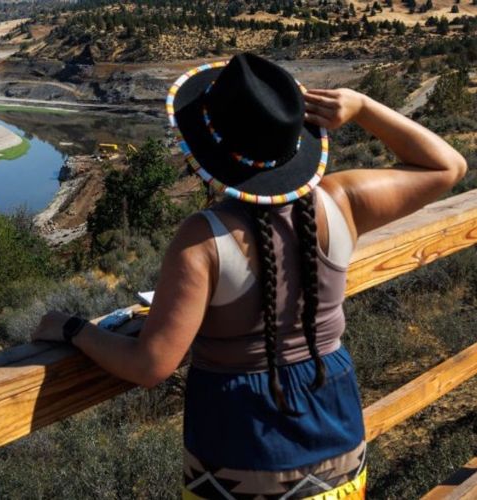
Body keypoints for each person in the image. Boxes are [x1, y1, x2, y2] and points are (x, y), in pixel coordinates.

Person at [32, 53, 467, 499]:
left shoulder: (202, 238)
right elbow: (447, 167)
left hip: (240, 446)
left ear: (209, 152)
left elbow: (151, 365)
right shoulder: (343, 201)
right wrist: (363, 106)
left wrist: (73, 329)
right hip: (336, 431)